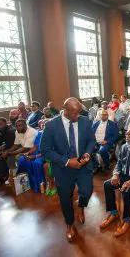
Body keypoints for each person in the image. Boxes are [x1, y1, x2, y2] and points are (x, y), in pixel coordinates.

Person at [40, 97, 95, 242]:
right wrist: (66, 162)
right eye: (74, 113)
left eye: (79, 112)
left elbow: (91, 140)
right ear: (65, 110)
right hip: (63, 169)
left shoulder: (85, 121)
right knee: (65, 198)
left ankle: (81, 206)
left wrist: (88, 153)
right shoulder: (51, 126)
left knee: (87, 190)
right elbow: (45, 150)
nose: (77, 116)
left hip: (83, 165)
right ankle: (70, 225)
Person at [0, 119, 37, 185]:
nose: (18, 127)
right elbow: (16, 144)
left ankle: (21, 177)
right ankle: (14, 177)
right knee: (10, 158)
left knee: (18, 157)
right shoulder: (17, 131)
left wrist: (8, 153)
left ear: (26, 125)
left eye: (20, 125)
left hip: (33, 150)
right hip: (25, 149)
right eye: (16, 126)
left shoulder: (31, 132)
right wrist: (6, 152)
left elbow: (25, 148)